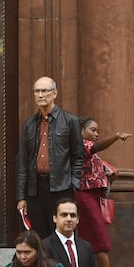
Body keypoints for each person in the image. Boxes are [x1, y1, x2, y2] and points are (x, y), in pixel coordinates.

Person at [15, 76, 82, 238]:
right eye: (37, 91)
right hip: (35, 189)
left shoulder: (70, 121)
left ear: (55, 93)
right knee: (38, 236)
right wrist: (21, 197)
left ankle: (63, 265)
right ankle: (43, 265)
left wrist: (74, 184)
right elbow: (23, 162)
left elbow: (78, 156)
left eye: (44, 91)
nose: (40, 95)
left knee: (62, 234)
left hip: (62, 188)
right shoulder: (29, 124)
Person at [74, 117, 127, 267]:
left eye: (98, 131)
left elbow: (107, 173)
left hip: (94, 198)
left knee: (95, 240)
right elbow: (94, 148)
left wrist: (112, 175)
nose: (96, 134)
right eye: (93, 130)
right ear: (81, 130)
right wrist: (116, 137)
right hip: (84, 197)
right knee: (99, 239)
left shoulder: (94, 155)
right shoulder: (80, 145)